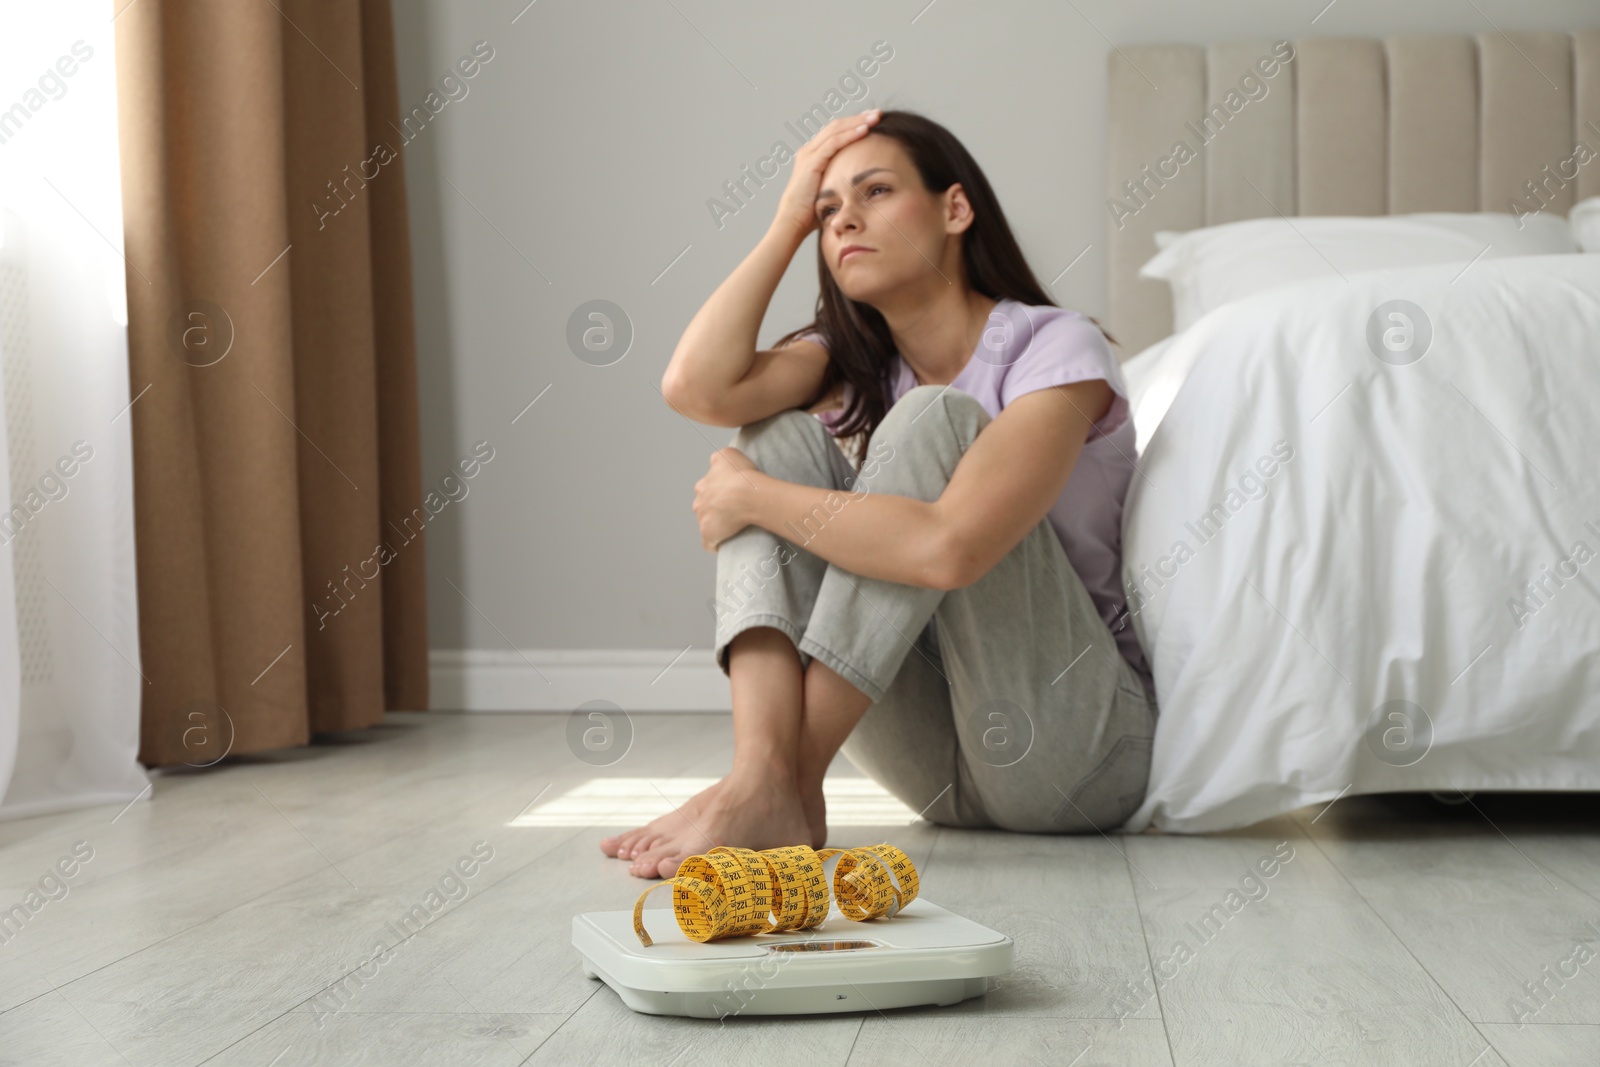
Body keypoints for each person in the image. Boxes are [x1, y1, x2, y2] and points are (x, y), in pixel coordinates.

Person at [602, 107, 1158, 880]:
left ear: (954, 209)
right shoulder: (851, 361)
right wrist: (784, 224)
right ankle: (768, 777)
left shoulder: (1055, 347)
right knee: (773, 437)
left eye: (875, 192)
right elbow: (696, 386)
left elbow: (950, 546)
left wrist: (754, 499)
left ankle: (773, 783)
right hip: (940, 771)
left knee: (927, 421)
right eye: (829, 209)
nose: (844, 221)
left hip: (1074, 753)